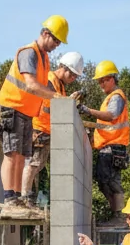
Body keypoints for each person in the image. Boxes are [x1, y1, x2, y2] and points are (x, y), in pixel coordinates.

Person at [0, 15, 68, 211]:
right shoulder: (29, 53)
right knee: (12, 154)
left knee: (21, 156)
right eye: (56, 40)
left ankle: (16, 197)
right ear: (45, 33)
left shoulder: (44, 58)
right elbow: (32, 85)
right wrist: (56, 97)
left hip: (25, 112)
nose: (57, 45)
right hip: (12, 108)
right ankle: (9, 199)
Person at [21, 50, 84, 207]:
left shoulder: (60, 85)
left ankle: (29, 199)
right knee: (33, 164)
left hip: (46, 130)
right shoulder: (50, 80)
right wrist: (68, 101)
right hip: (39, 129)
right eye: (72, 75)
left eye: (76, 76)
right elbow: (52, 104)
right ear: (64, 67)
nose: (73, 79)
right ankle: (24, 198)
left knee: (38, 166)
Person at [82, 60, 129, 218]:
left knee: (111, 182)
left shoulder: (116, 97)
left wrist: (88, 110)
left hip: (113, 147)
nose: (101, 84)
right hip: (109, 147)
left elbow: (111, 116)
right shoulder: (109, 98)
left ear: (112, 79)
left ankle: (119, 215)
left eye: (103, 80)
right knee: (104, 182)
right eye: (99, 81)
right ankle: (117, 213)